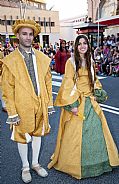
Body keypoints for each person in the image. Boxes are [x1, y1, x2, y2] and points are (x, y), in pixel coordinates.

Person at [48, 34, 119, 179]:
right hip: (78, 102)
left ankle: (99, 163)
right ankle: (74, 165)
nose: (82, 46)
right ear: (76, 46)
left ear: (88, 45)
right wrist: (72, 105)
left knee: (96, 132)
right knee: (76, 136)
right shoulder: (71, 62)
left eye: (84, 43)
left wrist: (98, 91)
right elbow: (67, 83)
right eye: (79, 43)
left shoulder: (90, 61)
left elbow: (95, 80)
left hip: (91, 102)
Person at [2, 19, 55, 183]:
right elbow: (7, 89)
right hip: (21, 104)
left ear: (34, 37)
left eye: (30, 34)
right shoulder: (9, 61)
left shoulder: (42, 58)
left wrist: (48, 103)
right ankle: (25, 166)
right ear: (17, 35)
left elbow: (48, 82)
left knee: (38, 133)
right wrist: (12, 111)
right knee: (22, 136)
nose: (28, 37)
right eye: (24, 34)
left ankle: (35, 164)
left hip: (40, 102)